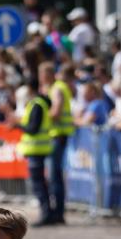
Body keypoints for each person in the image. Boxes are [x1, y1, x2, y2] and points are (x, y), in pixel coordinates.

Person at [4, 74, 54, 226]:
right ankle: (46, 212)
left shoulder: (36, 105)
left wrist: (17, 125)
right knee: (40, 183)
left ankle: (46, 214)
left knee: (38, 183)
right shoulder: (38, 103)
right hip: (37, 148)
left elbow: (32, 128)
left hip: (36, 149)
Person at [41, 61, 76, 224]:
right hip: (60, 135)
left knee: (55, 176)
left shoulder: (57, 88)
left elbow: (56, 112)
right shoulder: (60, 87)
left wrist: (39, 116)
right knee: (55, 176)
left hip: (58, 136)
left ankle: (58, 212)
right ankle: (58, 211)